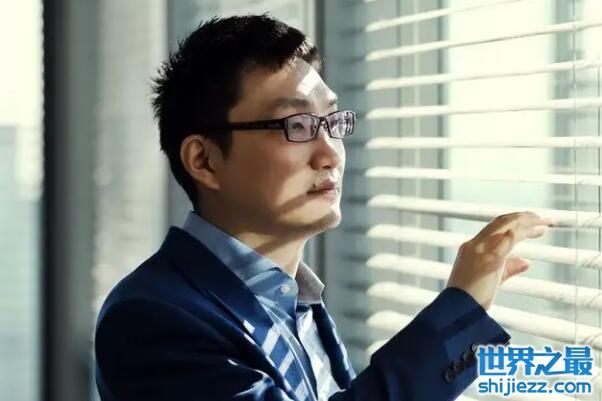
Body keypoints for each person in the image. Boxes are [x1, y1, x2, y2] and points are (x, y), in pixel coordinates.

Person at [94, 14, 554, 401]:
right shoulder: (151, 320)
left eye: (331, 121)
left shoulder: (293, 300)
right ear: (205, 160)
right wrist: (460, 312)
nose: (330, 153)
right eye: (296, 125)